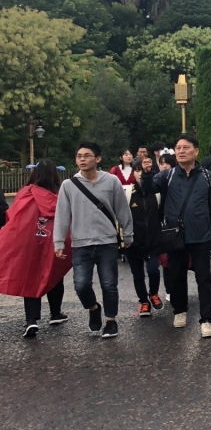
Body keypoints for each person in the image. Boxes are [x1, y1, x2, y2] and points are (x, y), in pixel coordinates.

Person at [141, 135, 211, 338]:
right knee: (176, 276)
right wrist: (148, 173)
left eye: (186, 147)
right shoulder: (167, 175)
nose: (181, 151)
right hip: (174, 235)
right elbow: (147, 190)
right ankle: (179, 310)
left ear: (196, 150)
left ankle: (206, 320)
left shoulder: (207, 176)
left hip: (201, 234)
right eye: (178, 148)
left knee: (204, 278)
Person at [53, 142, 134, 339]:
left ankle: (111, 321)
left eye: (87, 155)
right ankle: (93, 307)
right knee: (81, 284)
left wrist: (128, 233)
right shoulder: (69, 185)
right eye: (79, 156)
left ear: (98, 159)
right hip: (81, 243)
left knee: (109, 283)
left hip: (107, 242)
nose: (82, 159)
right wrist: (59, 241)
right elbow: (62, 215)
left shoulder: (111, 181)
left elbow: (122, 209)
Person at [0, 161, 71, 338]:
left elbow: (12, 216)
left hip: (29, 243)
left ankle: (31, 320)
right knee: (54, 273)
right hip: (53, 241)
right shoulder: (60, 194)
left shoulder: (26, 193)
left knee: (30, 278)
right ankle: (55, 313)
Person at [124, 157, 164, 317]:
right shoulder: (127, 192)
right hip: (133, 242)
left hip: (154, 240)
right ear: (133, 172)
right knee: (137, 274)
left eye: (142, 170)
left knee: (153, 270)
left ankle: (153, 293)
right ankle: (143, 301)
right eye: (137, 170)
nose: (140, 173)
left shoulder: (156, 193)